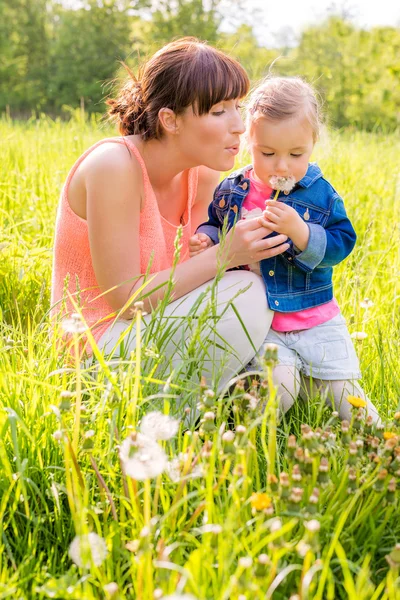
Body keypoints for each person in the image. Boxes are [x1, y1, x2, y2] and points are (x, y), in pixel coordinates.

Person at [50, 38, 290, 392]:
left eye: (238, 107)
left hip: (157, 327)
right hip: (96, 350)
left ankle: (205, 410)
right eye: (219, 111)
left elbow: (199, 281)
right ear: (170, 120)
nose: (239, 125)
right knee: (248, 294)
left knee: (284, 382)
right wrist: (225, 254)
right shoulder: (114, 167)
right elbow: (127, 300)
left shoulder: (203, 174)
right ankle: (180, 417)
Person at [189, 76, 380, 422]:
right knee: (277, 391)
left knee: (350, 403)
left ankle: (384, 446)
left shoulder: (319, 194)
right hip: (263, 323)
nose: (281, 166)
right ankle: (241, 441)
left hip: (314, 318)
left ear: (312, 143)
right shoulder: (234, 189)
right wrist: (207, 238)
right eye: (267, 153)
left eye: (296, 154)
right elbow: (216, 223)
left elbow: (342, 243)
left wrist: (302, 232)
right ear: (249, 142)